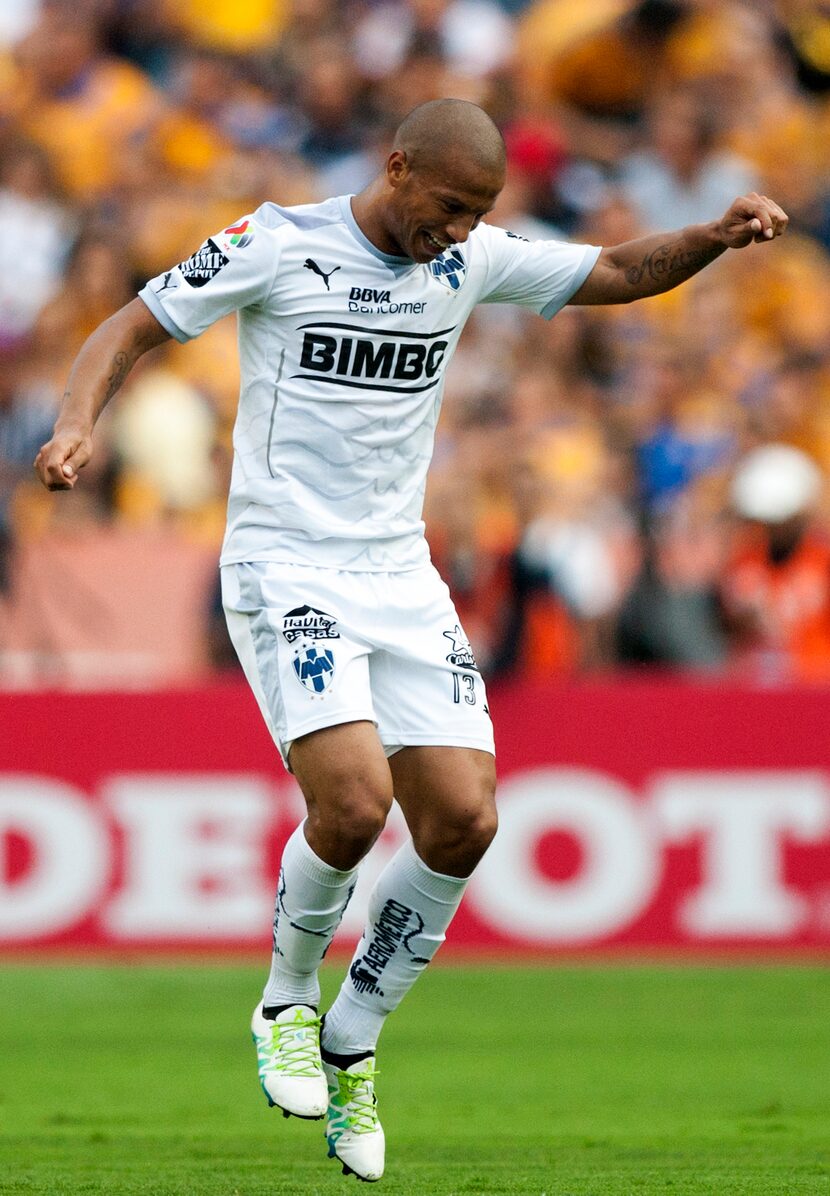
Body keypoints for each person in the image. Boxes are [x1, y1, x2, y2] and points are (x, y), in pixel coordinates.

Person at [34, 98, 787, 1183]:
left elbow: (615, 271)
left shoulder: (467, 260)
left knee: (465, 818)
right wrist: (75, 422)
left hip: (398, 575)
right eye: (446, 207)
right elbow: (129, 325)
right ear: (394, 168)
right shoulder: (276, 244)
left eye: (477, 214)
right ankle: (288, 998)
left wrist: (710, 240)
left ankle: (353, 1035)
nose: (457, 231)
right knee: (350, 803)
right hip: (284, 563)